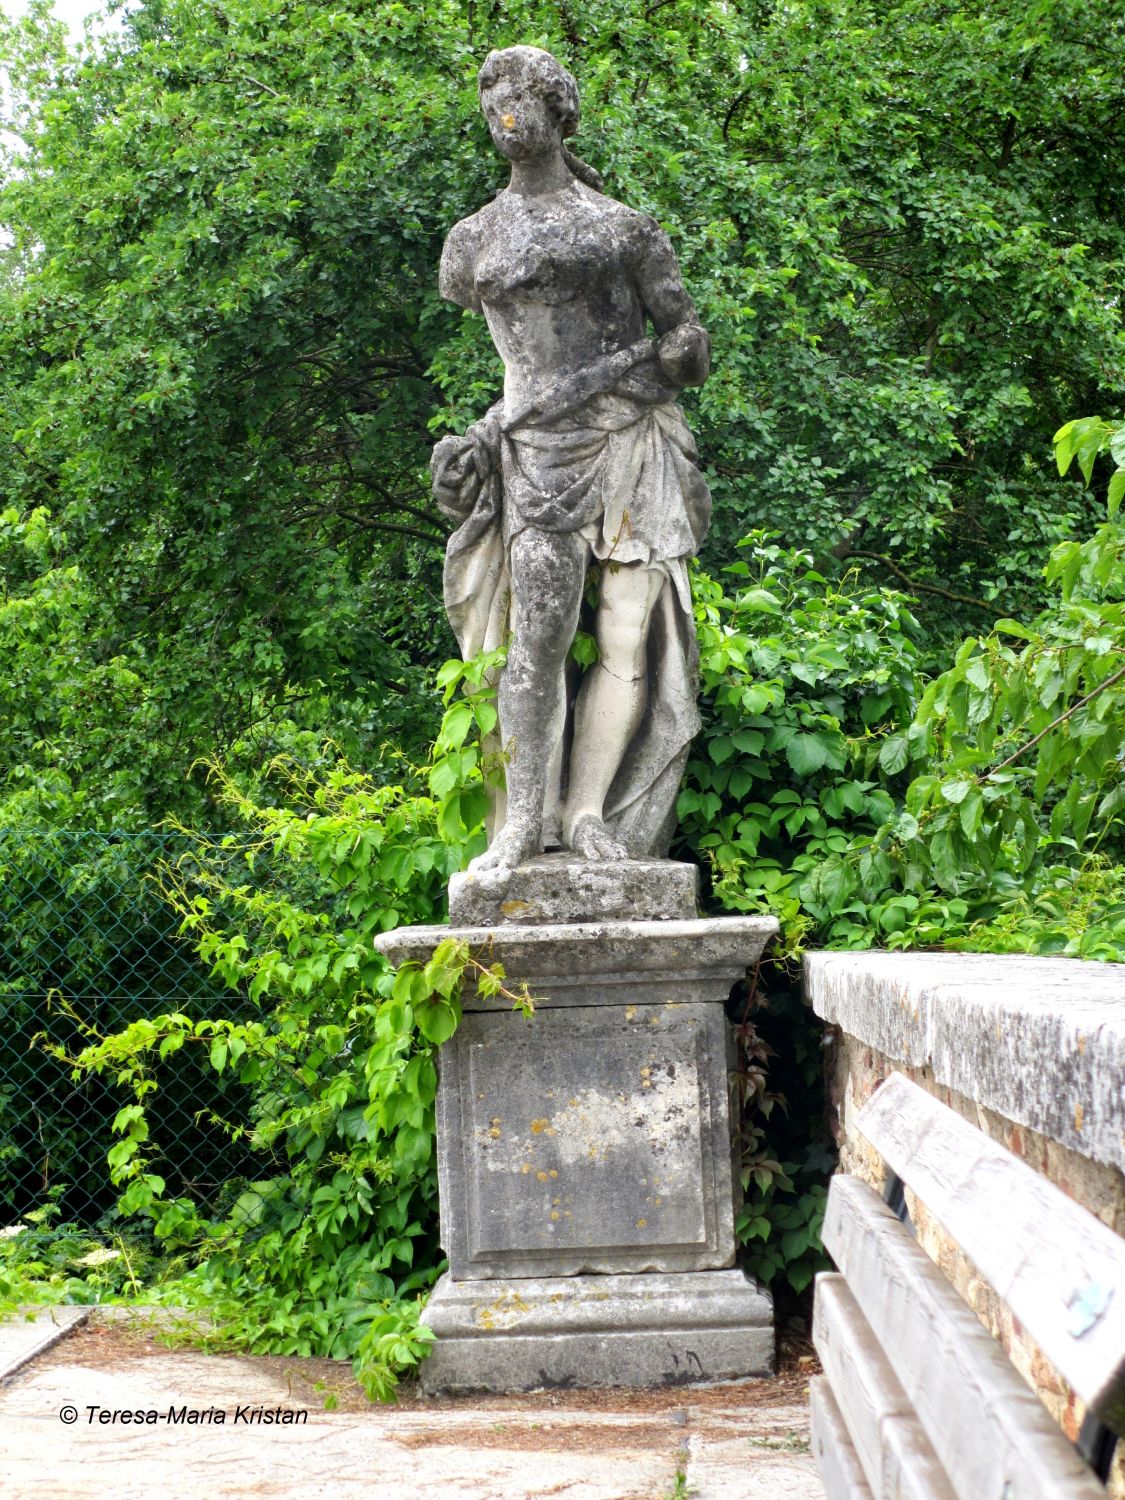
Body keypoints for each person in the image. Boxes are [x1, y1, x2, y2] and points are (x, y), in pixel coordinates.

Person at [431, 45, 712, 882]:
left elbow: (688, 344)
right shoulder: (472, 240)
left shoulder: (622, 228)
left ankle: (588, 815)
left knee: (626, 638)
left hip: (631, 439)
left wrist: (661, 360)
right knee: (538, 642)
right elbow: (516, 363)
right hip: (538, 451)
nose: (501, 117)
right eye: (489, 106)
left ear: (559, 110)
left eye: (515, 101)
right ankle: (521, 826)